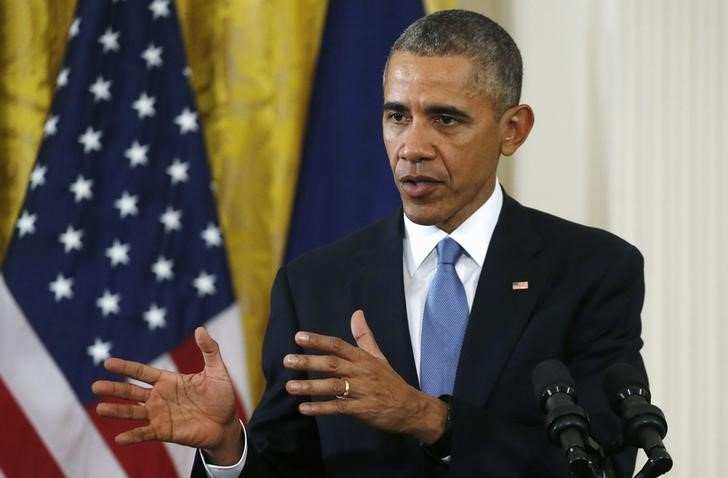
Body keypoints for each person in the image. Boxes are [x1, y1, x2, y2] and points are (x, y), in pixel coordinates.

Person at [92, 9, 646, 477]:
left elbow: (605, 462)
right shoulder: (316, 284)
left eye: (445, 120)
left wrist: (428, 418)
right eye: (397, 116)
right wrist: (226, 447)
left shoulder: (592, 270)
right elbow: (286, 466)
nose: (412, 146)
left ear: (513, 129)